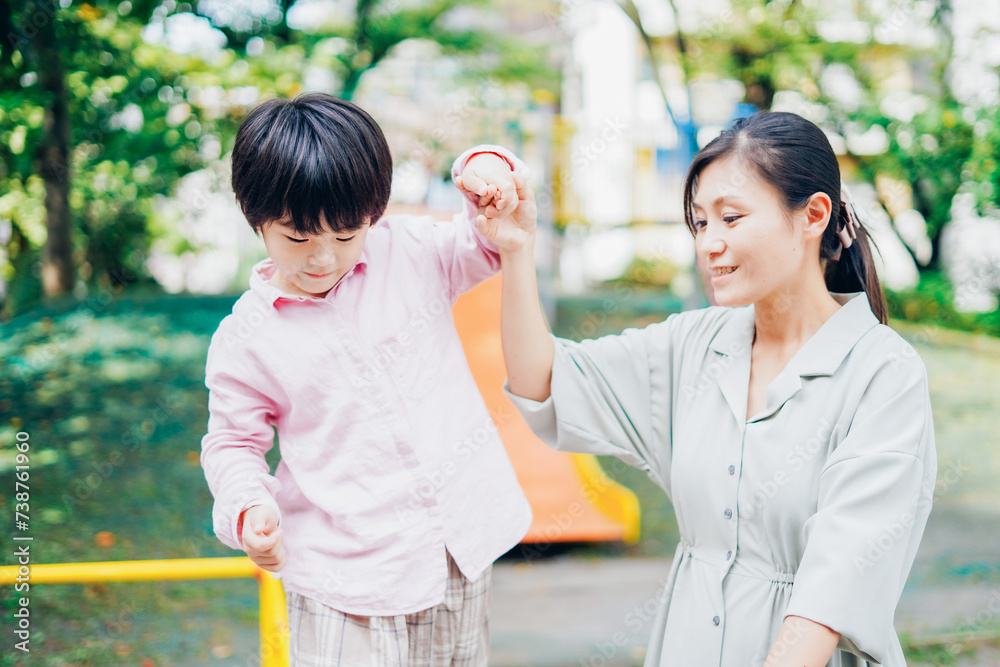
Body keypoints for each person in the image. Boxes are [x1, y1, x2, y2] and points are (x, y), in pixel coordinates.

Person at [481, 111, 937, 666]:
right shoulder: (694, 345)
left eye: (731, 218)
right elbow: (545, 381)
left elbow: (838, 576)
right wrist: (516, 250)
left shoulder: (883, 373)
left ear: (813, 215)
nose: (709, 244)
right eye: (700, 223)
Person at [199, 92, 533, 666]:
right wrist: (249, 505)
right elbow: (232, 443)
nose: (323, 258)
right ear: (257, 220)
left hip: (456, 548)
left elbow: (487, 238)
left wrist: (486, 169)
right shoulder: (247, 338)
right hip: (343, 575)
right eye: (298, 239)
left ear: (373, 214)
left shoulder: (411, 252)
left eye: (347, 234)